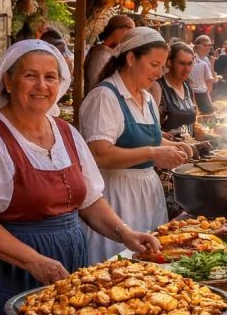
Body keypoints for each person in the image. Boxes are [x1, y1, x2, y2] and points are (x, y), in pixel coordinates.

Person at [0, 40, 159, 315]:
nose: (42, 85)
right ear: (8, 82)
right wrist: (34, 261)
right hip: (9, 269)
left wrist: (125, 233)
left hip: (67, 261)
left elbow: (90, 200)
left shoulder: (66, 132)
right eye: (30, 75)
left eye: (50, 77)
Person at [80, 28, 192, 262]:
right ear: (131, 58)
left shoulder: (147, 98)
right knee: (117, 263)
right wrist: (152, 153)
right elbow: (99, 154)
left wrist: (174, 147)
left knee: (151, 259)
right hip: (117, 195)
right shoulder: (105, 97)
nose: (159, 73)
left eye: (162, 66)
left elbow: (150, 138)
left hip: (148, 192)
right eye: (154, 64)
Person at [149, 41, 199, 134]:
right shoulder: (157, 87)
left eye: (189, 64)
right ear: (169, 63)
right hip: (166, 143)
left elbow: (193, 123)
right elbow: (150, 127)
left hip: (188, 142)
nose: (186, 69)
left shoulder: (187, 87)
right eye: (181, 63)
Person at [85, 15, 134, 93]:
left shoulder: (110, 52)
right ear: (118, 30)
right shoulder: (101, 54)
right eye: (129, 31)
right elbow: (96, 85)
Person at [189, 35, 215, 116]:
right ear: (197, 45)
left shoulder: (206, 59)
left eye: (210, 45)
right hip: (190, 94)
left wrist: (212, 63)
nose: (208, 47)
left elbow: (210, 80)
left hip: (202, 94)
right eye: (205, 45)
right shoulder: (190, 58)